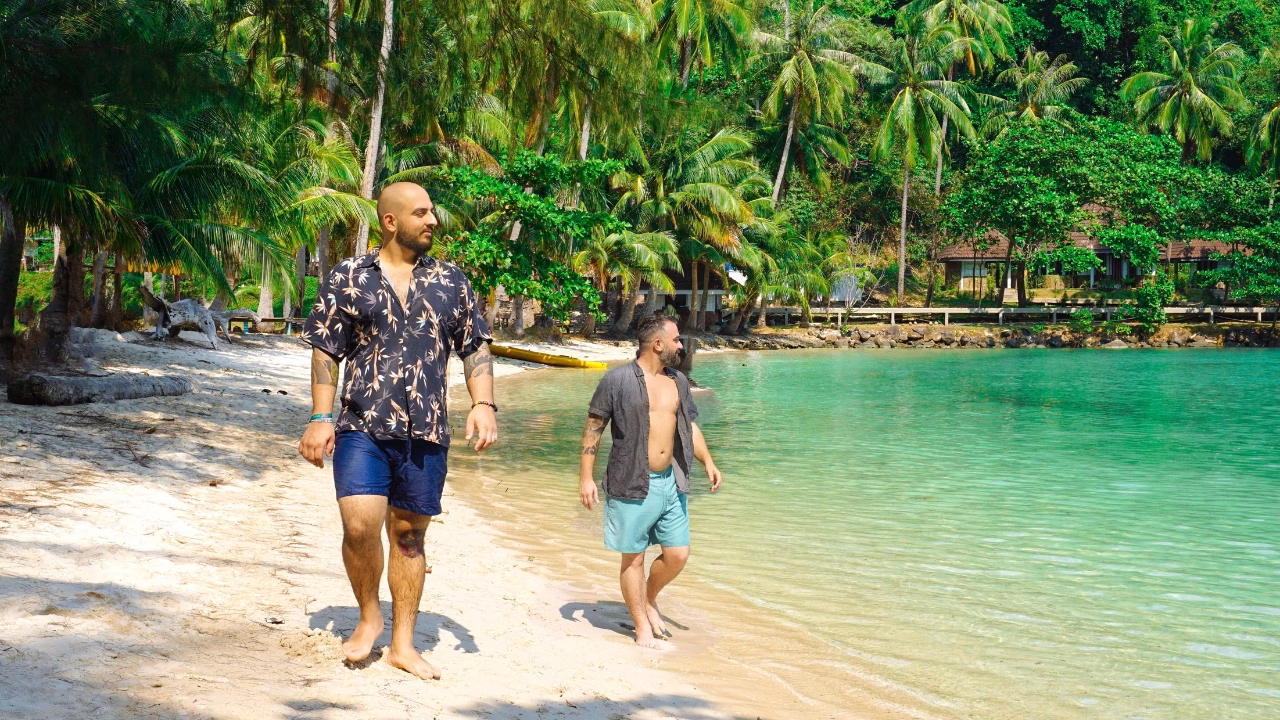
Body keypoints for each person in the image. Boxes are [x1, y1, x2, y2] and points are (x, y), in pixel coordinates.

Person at [297, 181, 497, 680]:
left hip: (426, 430)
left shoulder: (453, 282)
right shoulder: (347, 277)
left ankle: (403, 644)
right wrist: (321, 418)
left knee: (409, 538)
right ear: (390, 221)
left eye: (432, 212)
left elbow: (476, 347)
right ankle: (369, 616)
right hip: (362, 424)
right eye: (422, 213)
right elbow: (326, 351)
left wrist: (484, 404)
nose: (433, 221)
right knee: (360, 525)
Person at [578, 314, 722, 648]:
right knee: (634, 558)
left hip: (670, 481)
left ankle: (648, 598)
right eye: (676, 340)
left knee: (678, 554)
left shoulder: (679, 382)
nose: (680, 346)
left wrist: (708, 460)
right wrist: (586, 478)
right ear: (657, 344)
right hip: (630, 481)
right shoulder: (617, 381)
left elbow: (689, 426)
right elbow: (593, 429)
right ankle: (641, 627)